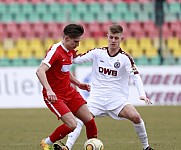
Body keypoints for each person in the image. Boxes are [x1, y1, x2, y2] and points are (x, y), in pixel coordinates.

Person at [58, 24, 154, 150]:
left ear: (121, 39)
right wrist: (64, 49)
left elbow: (135, 76)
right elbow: (77, 60)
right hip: (96, 99)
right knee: (80, 119)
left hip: (117, 100)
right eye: (111, 37)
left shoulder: (125, 58)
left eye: (116, 38)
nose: (113, 41)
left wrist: (142, 94)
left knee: (136, 117)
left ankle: (146, 147)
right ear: (107, 37)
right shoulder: (97, 53)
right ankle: (67, 147)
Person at [36, 24, 98, 150]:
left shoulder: (70, 51)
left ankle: (93, 146)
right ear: (67, 38)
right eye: (76, 42)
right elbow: (40, 70)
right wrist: (49, 90)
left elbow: (63, 72)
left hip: (69, 92)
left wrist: (78, 84)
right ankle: (47, 142)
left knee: (89, 120)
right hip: (55, 96)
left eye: (79, 41)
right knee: (72, 124)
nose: (77, 45)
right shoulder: (55, 51)